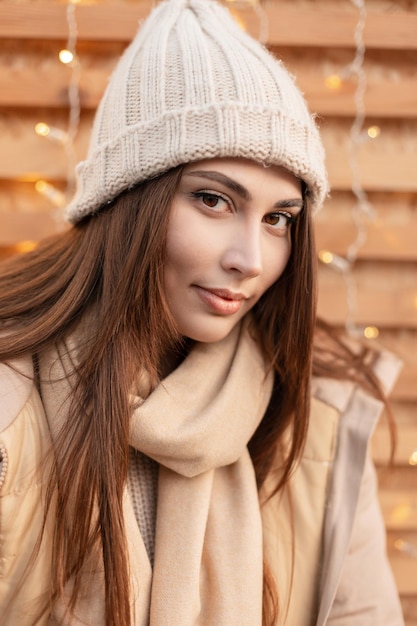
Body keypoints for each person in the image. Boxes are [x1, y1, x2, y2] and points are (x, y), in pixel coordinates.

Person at [0, 0, 404, 624]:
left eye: (278, 218)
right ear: (127, 204)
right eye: (213, 200)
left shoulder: (315, 413)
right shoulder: (10, 408)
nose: (251, 258)